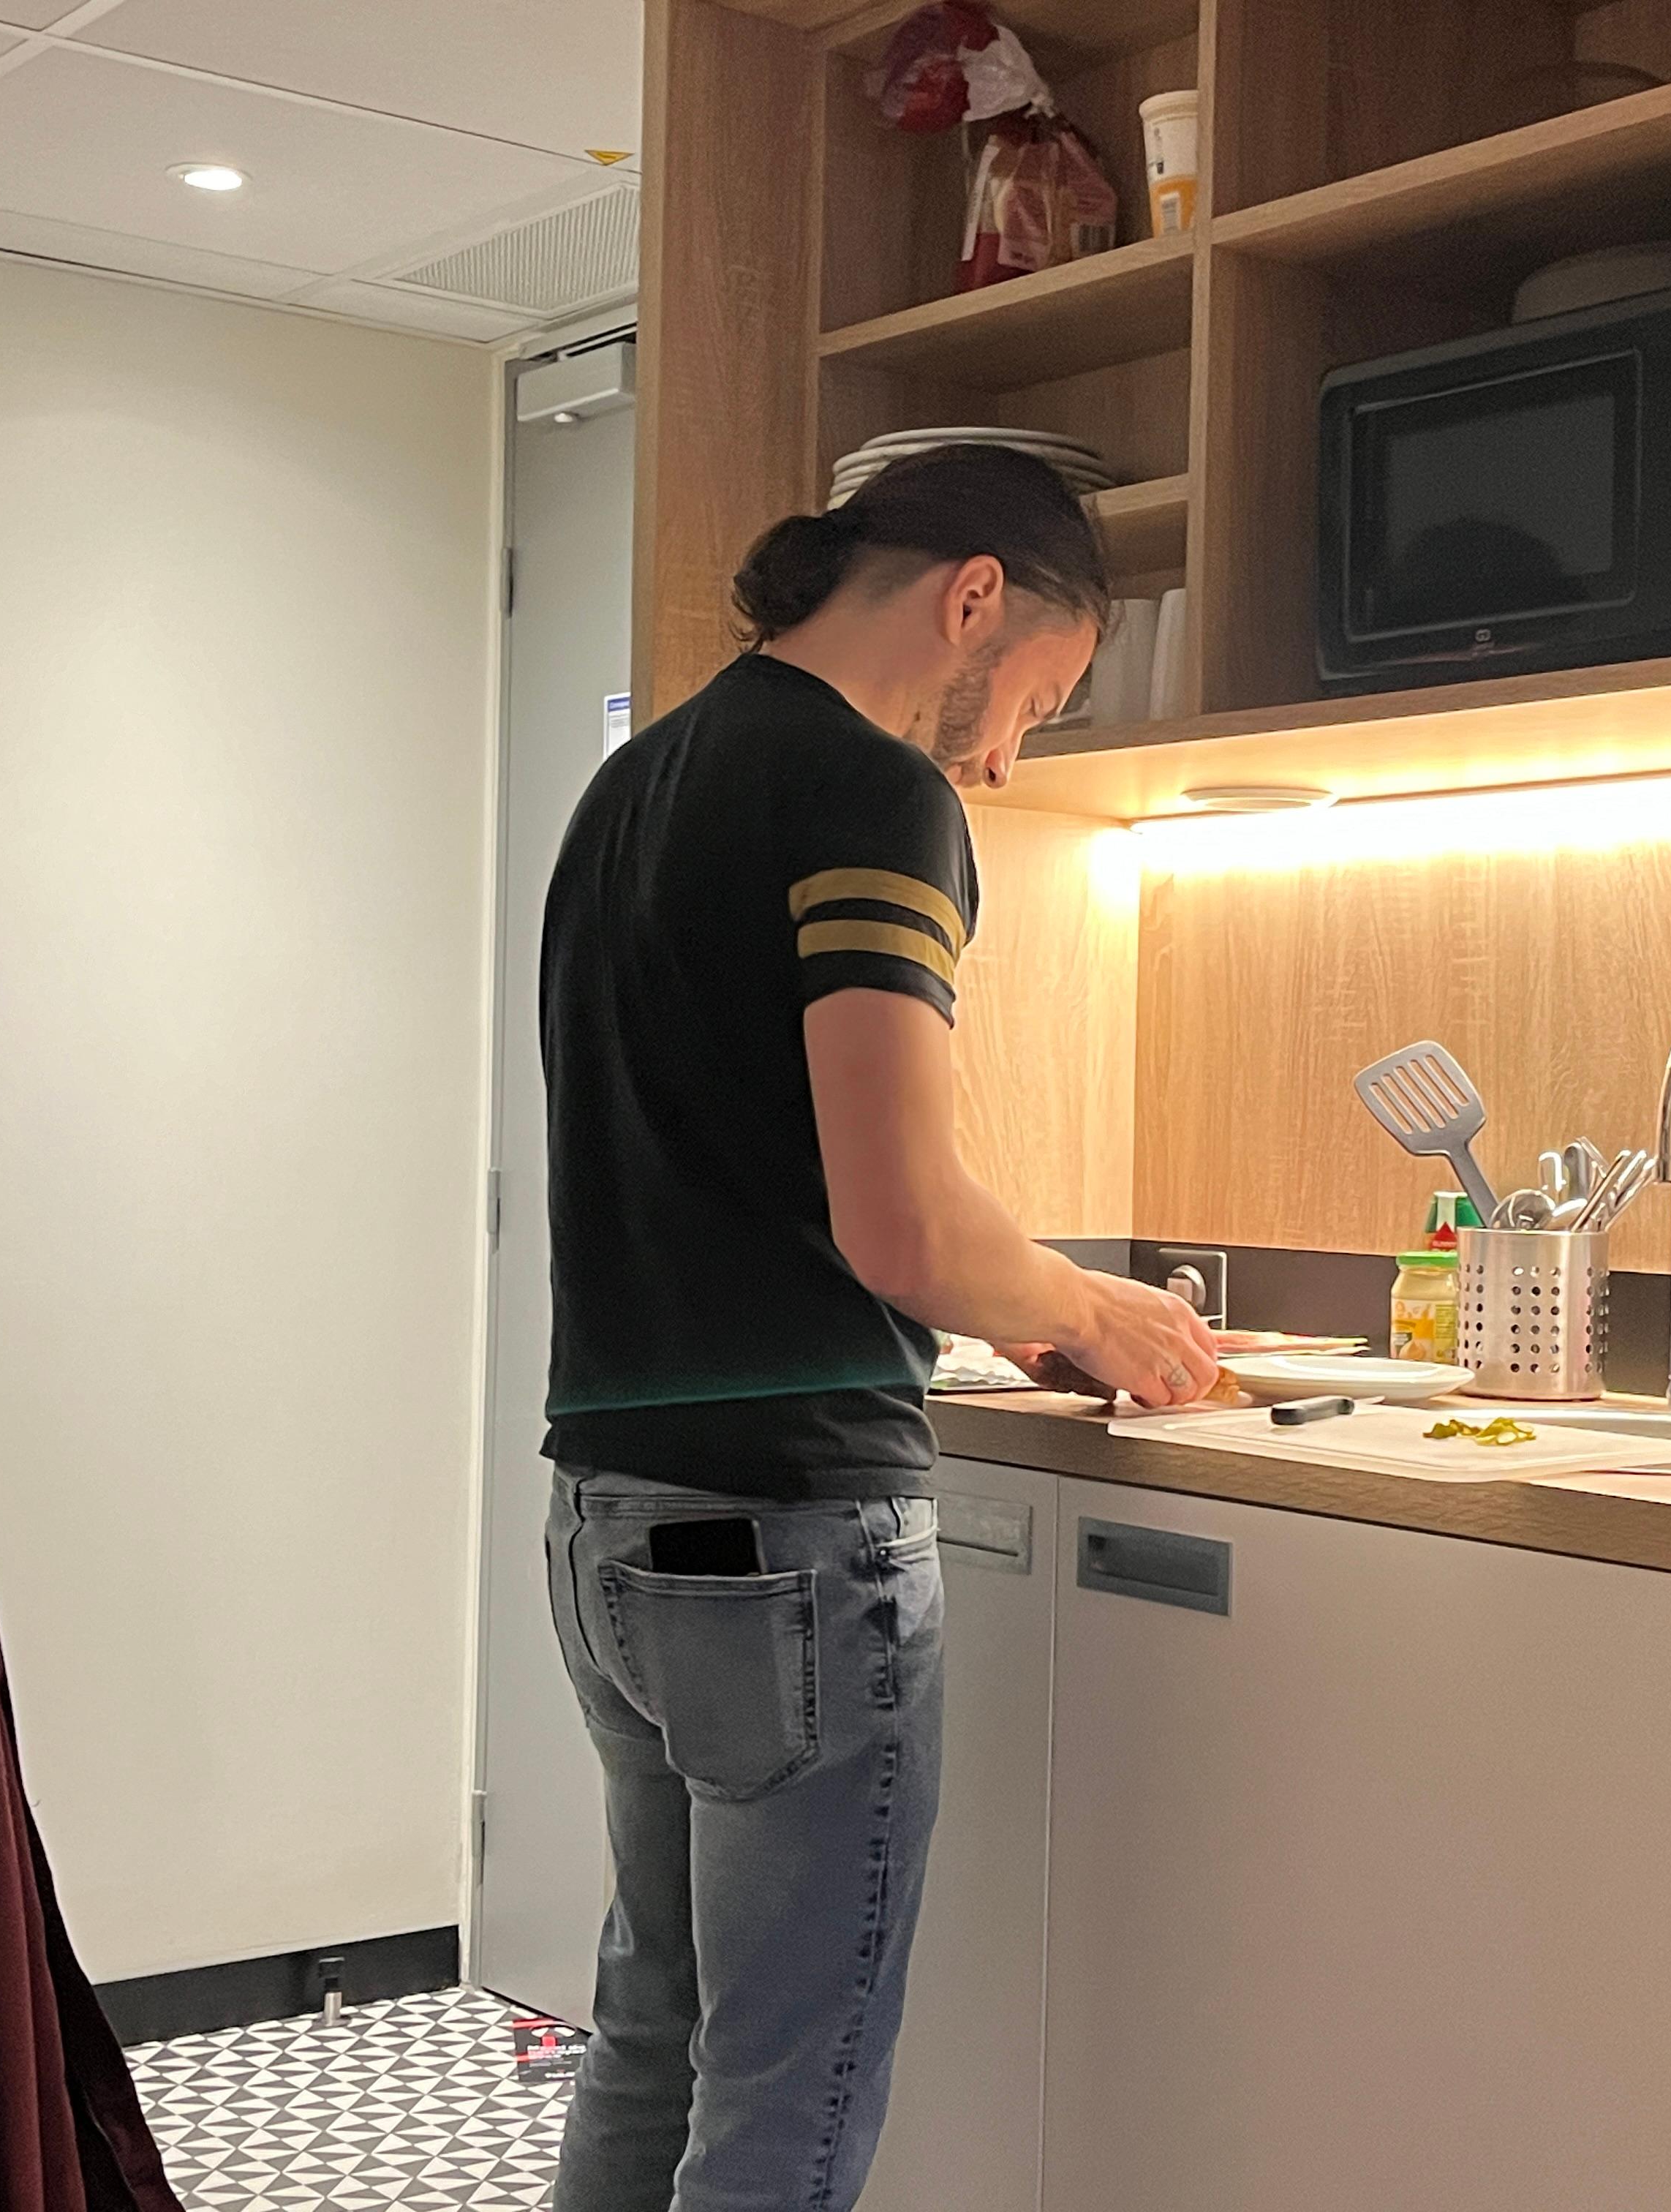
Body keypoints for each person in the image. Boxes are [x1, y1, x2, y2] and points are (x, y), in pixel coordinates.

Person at [537, 443, 1221, 2210]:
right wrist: (1092, 1313)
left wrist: (1034, 1310)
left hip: (610, 1513)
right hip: (785, 1531)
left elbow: (769, 1170)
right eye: (1043, 700)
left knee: (656, 2032)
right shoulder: (868, 792)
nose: (1006, 756)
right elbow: (903, 1222)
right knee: (792, 2090)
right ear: (974, 598)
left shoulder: (637, 780)